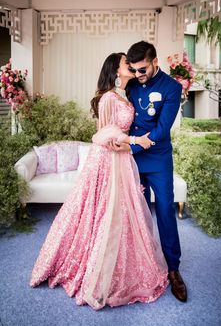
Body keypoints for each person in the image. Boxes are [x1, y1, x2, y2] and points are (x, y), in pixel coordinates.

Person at [30, 52, 169, 310]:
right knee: (101, 213)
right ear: (116, 70)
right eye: (126, 63)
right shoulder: (107, 97)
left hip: (122, 159)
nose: (131, 65)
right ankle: (93, 266)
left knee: (123, 213)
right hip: (106, 160)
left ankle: (122, 264)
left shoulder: (124, 96)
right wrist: (135, 140)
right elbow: (104, 133)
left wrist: (131, 140)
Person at [111, 41, 187, 303]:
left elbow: (163, 129)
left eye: (142, 69)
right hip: (131, 158)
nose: (138, 75)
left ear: (155, 61)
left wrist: (132, 148)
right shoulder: (131, 84)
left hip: (156, 158)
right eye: (134, 70)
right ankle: (141, 265)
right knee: (137, 212)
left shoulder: (172, 88)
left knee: (165, 210)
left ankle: (174, 268)